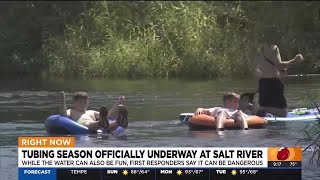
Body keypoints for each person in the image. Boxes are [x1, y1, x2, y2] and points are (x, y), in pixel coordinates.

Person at [255, 32, 304, 117]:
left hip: (263, 82)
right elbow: (279, 65)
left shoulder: (260, 49)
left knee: (265, 105)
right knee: (283, 112)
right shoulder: (274, 48)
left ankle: (260, 109)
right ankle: (260, 110)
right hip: (273, 83)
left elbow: (259, 68)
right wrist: (294, 61)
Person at [59, 91, 128, 133]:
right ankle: (101, 123)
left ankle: (119, 121)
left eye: (85, 102)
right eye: (80, 102)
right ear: (74, 103)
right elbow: (64, 117)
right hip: (82, 125)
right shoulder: (71, 111)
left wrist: (117, 103)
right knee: (89, 123)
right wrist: (62, 100)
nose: (83, 104)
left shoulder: (91, 112)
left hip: (97, 127)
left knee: (107, 125)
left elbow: (108, 116)